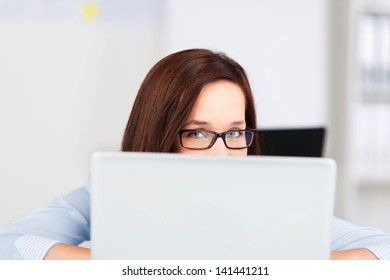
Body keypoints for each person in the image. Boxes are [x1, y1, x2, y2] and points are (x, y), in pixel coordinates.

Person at [1, 49, 390, 260]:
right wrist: (130, 270)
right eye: (197, 132)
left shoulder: (268, 198)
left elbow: (383, 251)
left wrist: (286, 269)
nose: (222, 153)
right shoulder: (111, 191)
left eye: (235, 132)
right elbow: (12, 245)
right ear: (161, 134)